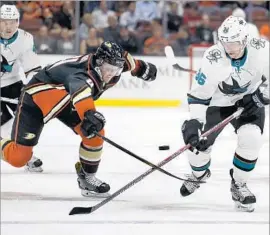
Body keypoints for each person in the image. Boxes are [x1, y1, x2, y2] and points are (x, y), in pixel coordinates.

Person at [0, 41, 157, 197]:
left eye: (116, 70)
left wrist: (142, 67)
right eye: (108, 69)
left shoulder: (114, 64)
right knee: (19, 158)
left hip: (66, 98)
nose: (111, 74)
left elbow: (127, 59)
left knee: (94, 135)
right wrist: (89, 115)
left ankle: (87, 178)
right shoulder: (81, 77)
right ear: (99, 63)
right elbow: (81, 97)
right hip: (37, 99)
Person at [180, 16, 269, 212]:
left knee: (252, 139)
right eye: (225, 42)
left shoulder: (262, 49)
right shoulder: (213, 57)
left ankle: (238, 185)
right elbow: (200, 94)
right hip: (217, 104)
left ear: (245, 39)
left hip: (249, 102)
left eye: (234, 43)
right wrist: (195, 121)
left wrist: (260, 98)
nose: (229, 48)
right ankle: (199, 174)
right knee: (197, 146)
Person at [0, 4, 43, 172]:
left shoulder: (25, 38)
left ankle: (23, 154)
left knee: (17, 124)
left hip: (12, 86)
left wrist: (32, 89)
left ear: (18, 22)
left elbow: (32, 68)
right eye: (3, 22)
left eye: (12, 22)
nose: (8, 26)